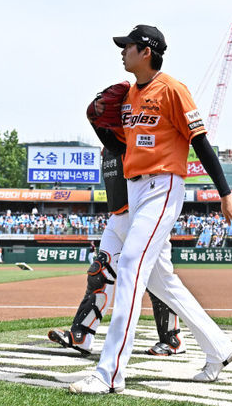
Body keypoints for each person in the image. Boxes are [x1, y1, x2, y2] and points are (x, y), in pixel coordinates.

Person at [69, 24, 232, 394]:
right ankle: (220, 348)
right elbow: (119, 146)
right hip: (135, 190)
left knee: (130, 266)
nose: (122, 51)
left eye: (127, 46)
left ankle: (109, 373)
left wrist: (225, 193)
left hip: (163, 186)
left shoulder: (173, 90)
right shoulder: (129, 95)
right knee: (164, 282)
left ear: (146, 51)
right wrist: (97, 124)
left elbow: (201, 143)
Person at [49, 144, 187, 358]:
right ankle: (82, 335)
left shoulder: (136, 136)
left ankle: (172, 339)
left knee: (157, 279)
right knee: (99, 272)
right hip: (118, 216)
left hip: (145, 217)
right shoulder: (108, 145)